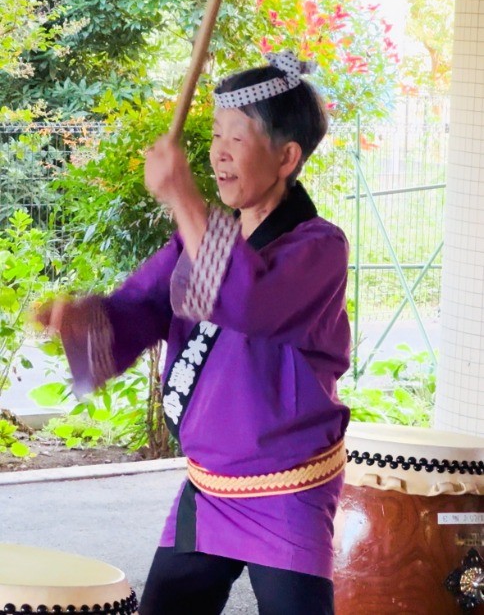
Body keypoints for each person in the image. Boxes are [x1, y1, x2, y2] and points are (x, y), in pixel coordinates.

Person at [37, 50, 351, 615]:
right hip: (209, 488)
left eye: (238, 137)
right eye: (215, 135)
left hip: (290, 491)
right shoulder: (197, 240)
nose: (219, 151)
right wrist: (84, 321)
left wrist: (185, 198)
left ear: (286, 157)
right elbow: (140, 307)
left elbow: (250, 301)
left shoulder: (320, 247)